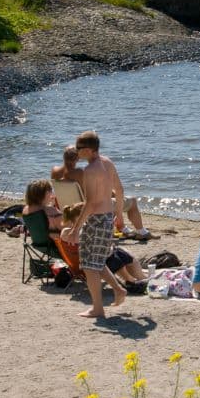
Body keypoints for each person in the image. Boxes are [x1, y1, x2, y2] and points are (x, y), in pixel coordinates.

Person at [72, 131, 129, 319]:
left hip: (96, 220)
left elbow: (90, 203)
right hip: (107, 217)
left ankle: (97, 308)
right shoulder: (107, 162)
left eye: (78, 149)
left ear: (88, 150)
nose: (76, 152)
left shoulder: (90, 170)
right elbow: (119, 190)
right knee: (95, 261)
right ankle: (118, 289)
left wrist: (76, 228)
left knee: (89, 266)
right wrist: (119, 214)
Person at [55, 145, 146, 238]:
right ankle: (142, 232)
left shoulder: (55, 172)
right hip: (90, 208)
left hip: (72, 208)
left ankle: (118, 226)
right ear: (78, 157)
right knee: (132, 201)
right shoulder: (80, 173)